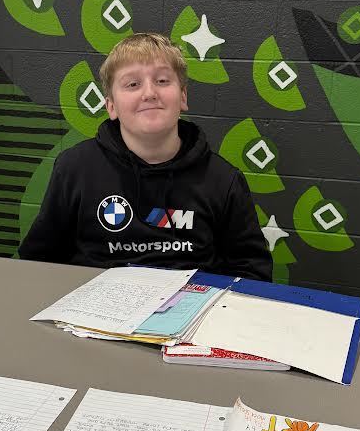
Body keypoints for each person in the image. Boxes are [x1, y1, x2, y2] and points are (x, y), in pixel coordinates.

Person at [19, 32, 272, 281]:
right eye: (132, 84)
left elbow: (253, 272)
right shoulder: (75, 168)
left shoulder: (223, 180)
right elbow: (38, 260)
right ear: (111, 106)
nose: (149, 93)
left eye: (162, 81)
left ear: (183, 97)